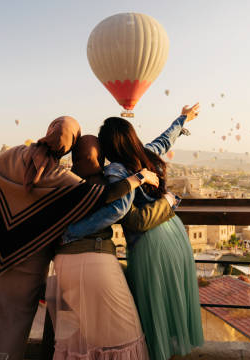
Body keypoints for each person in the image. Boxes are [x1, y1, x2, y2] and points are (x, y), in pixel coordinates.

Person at [0, 116, 159, 360]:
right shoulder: (60, 177)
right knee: (21, 319)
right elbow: (105, 196)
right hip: (33, 256)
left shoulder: (16, 154)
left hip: (2, 252)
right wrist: (138, 178)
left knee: (1, 314)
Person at [62, 104, 204, 359]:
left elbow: (119, 211)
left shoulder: (115, 170)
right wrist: (182, 119)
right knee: (169, 304)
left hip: (151, 241)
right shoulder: (145, 155)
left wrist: (72, 231)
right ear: (131, 138)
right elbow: (164, 141)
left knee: (153, 311)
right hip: (174, 232)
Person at [51, 135, 176, 360]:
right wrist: (144, 182)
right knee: (125, 336)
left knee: (86, 338)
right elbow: (118, 210)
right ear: (100, 156)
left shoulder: (62, 181)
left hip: (63, 263)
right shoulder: (105, 182)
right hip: (95, 259)